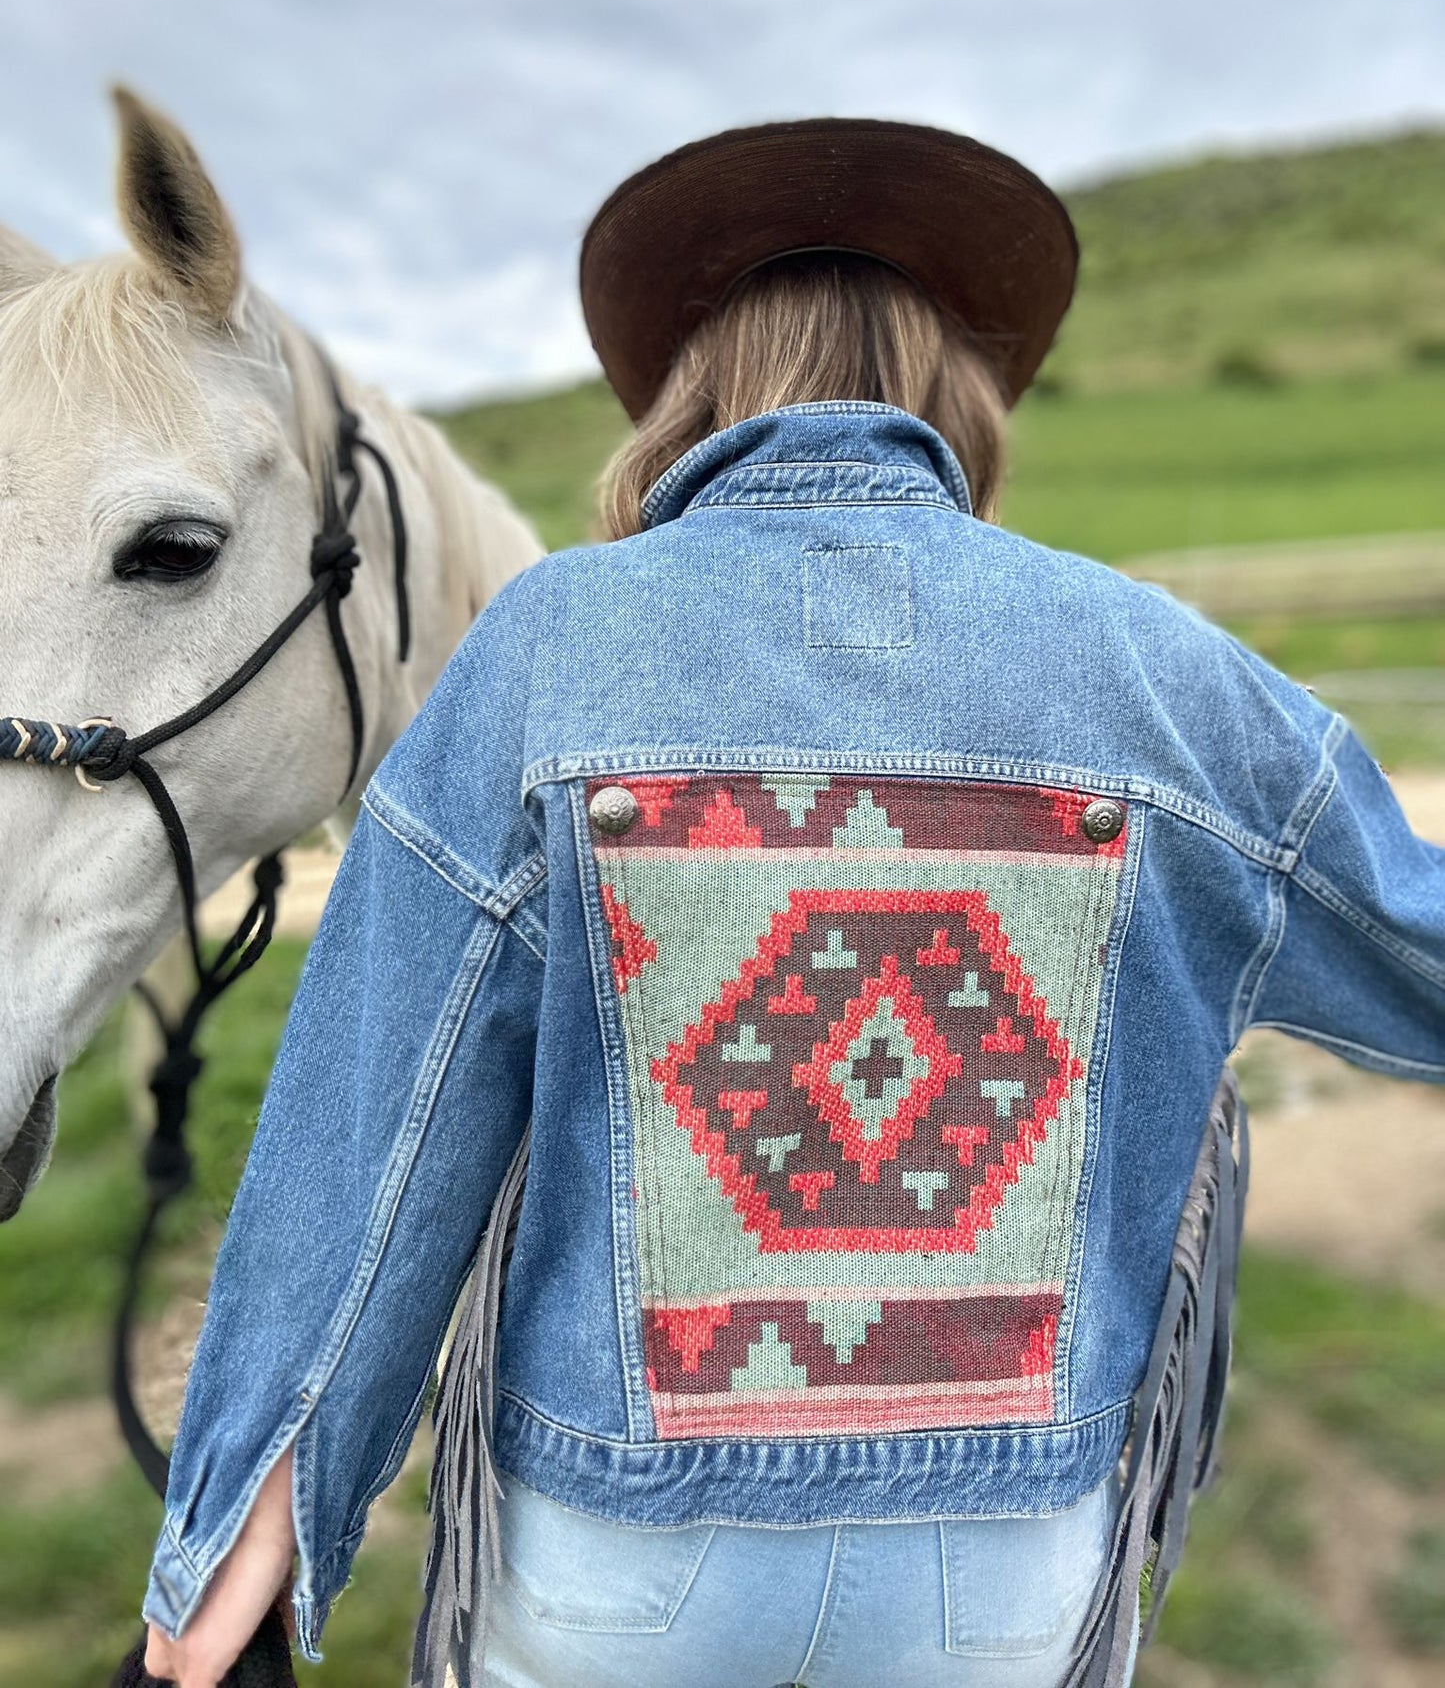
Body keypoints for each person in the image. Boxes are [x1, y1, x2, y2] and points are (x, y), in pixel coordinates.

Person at [141, 119, 1445, 1688]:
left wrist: (233, 1541)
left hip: (623, 1557)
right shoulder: (1153, 669)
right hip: (1003, 1573)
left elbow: (379, 1126)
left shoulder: (556, 643)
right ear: (962, 386)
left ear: (690, 387)